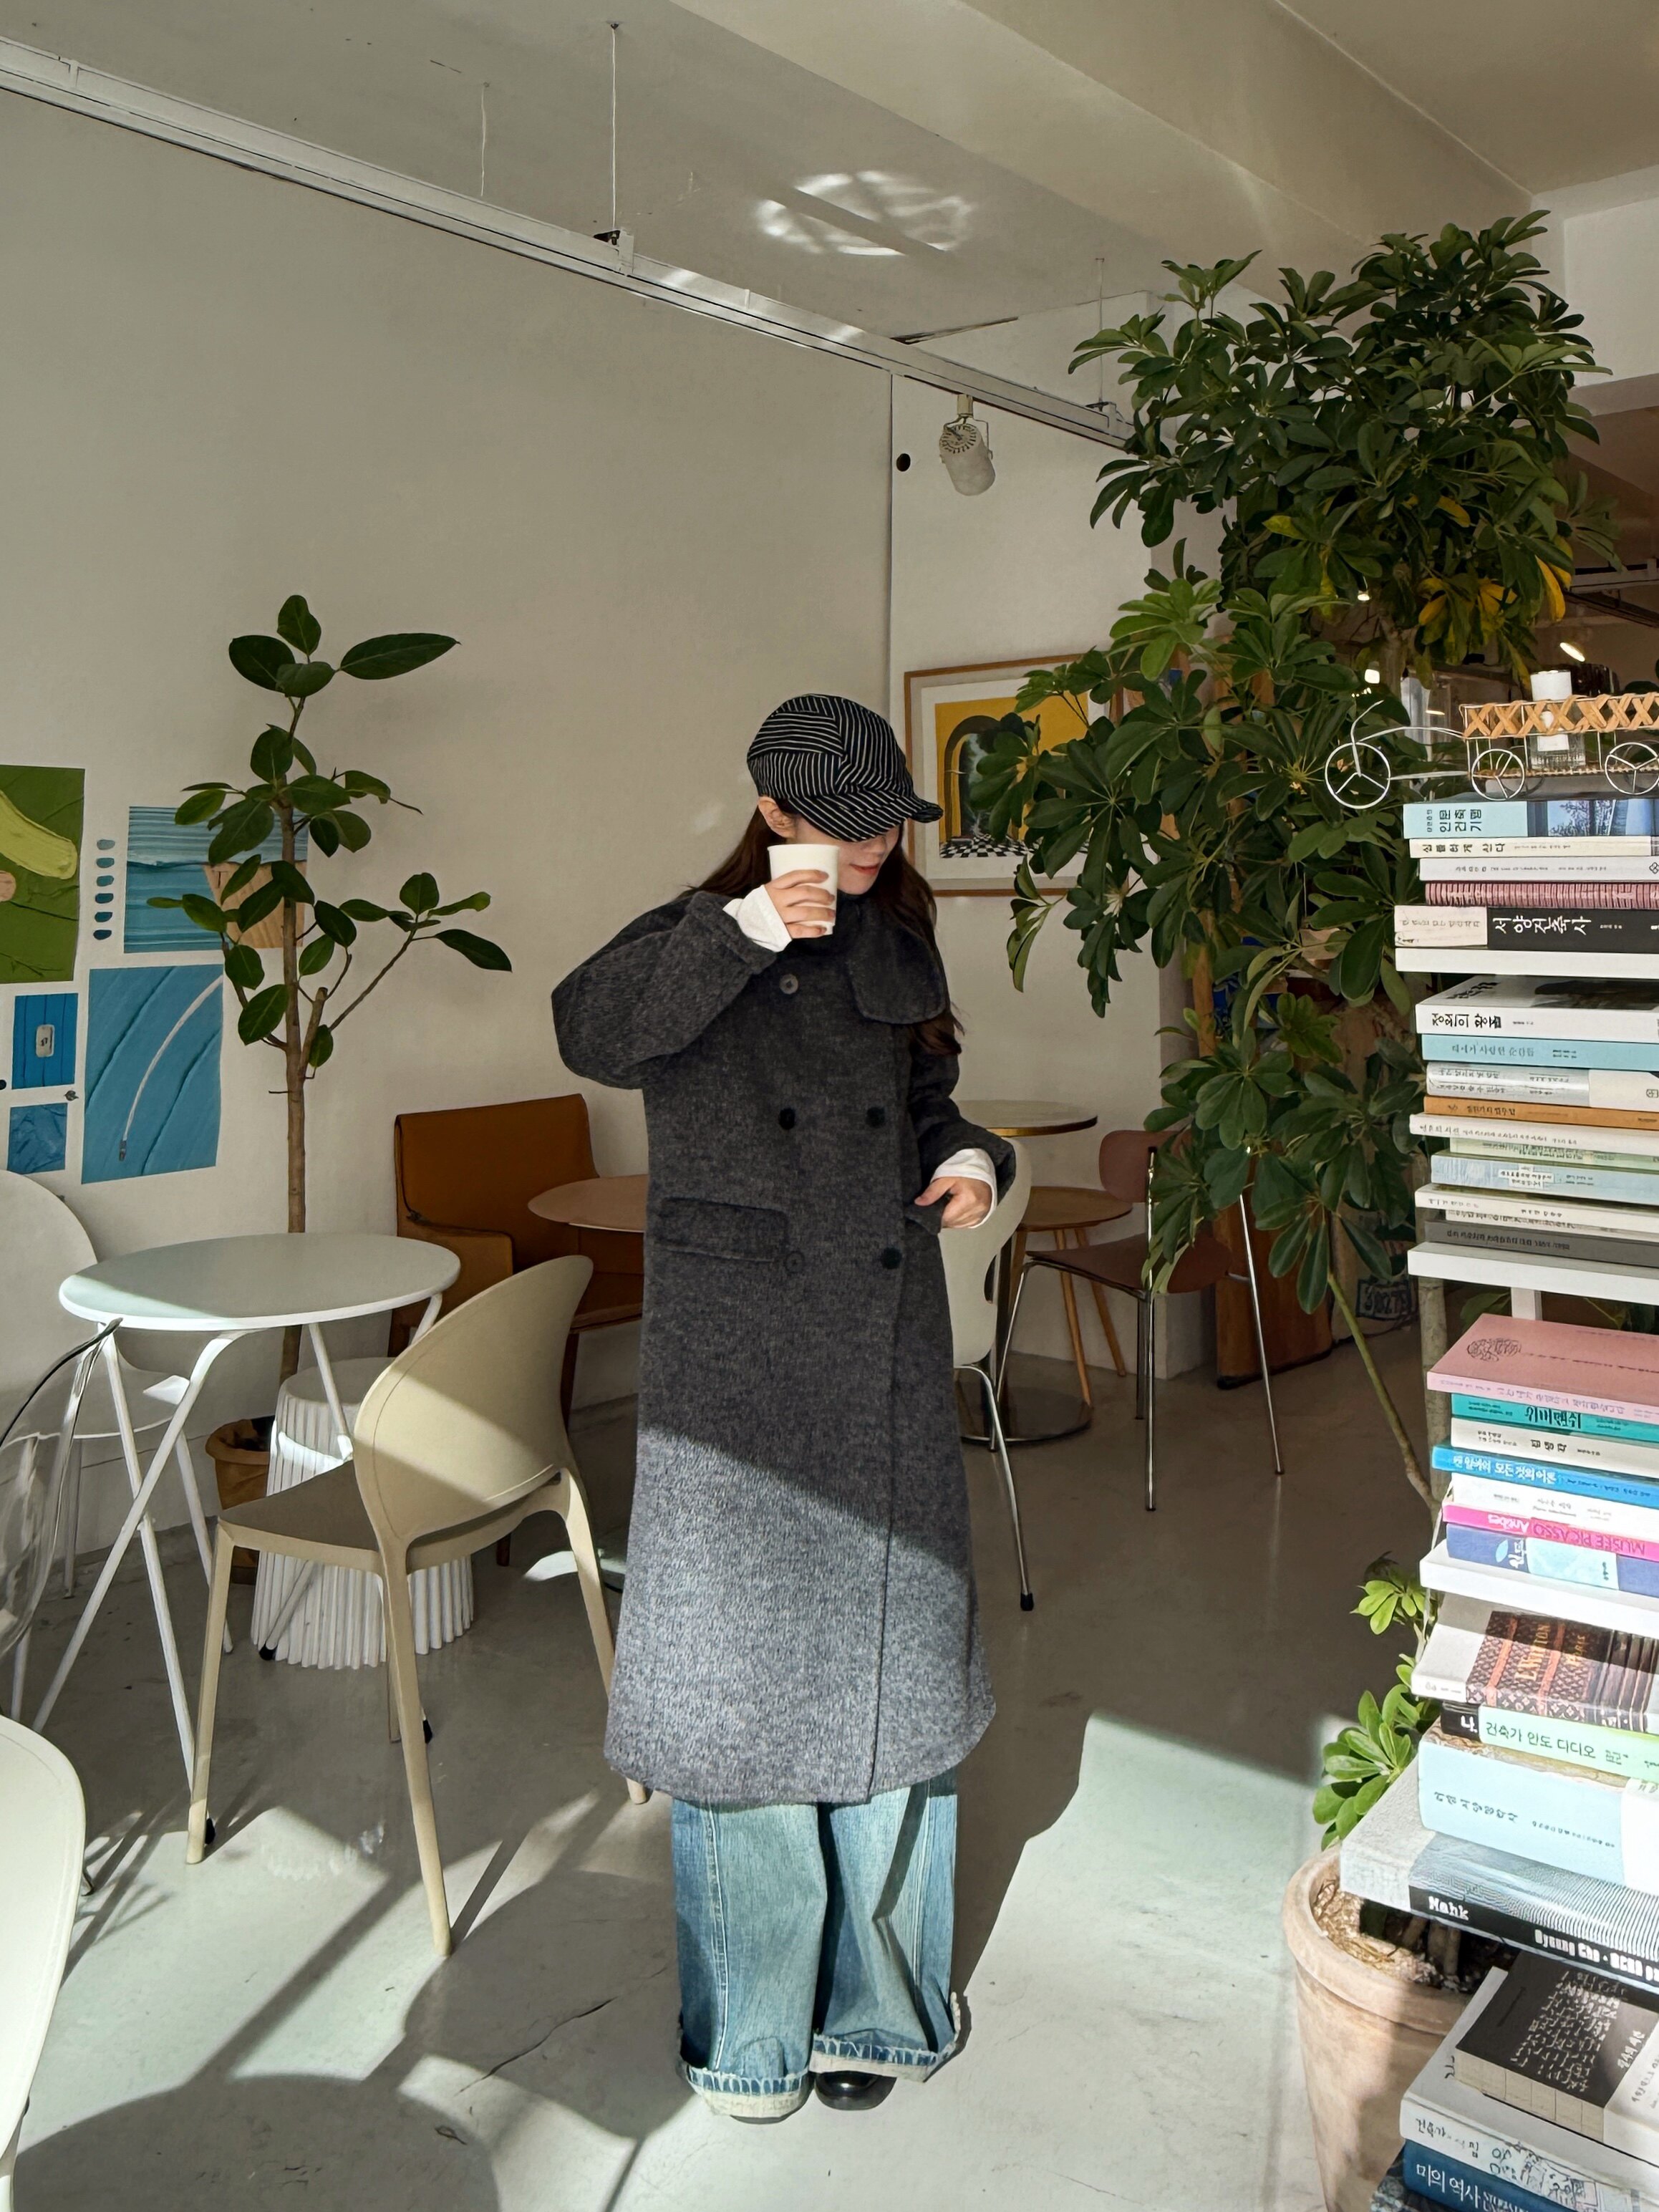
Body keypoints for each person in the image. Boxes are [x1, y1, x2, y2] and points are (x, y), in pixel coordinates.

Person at [552, 693, 1012, 2123]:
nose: (875, 845)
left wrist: (972, 1158)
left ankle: (881, 2010)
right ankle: (751, 2037)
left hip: (877, 1343)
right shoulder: (685, 939)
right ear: (772, 814)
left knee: (895, 1685)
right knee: (738, 1704)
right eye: (846, 821)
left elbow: (930, 1097)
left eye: (889, 820)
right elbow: (589, 1031)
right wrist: (748, 930)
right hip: (739, 1365)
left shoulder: (900, 935)